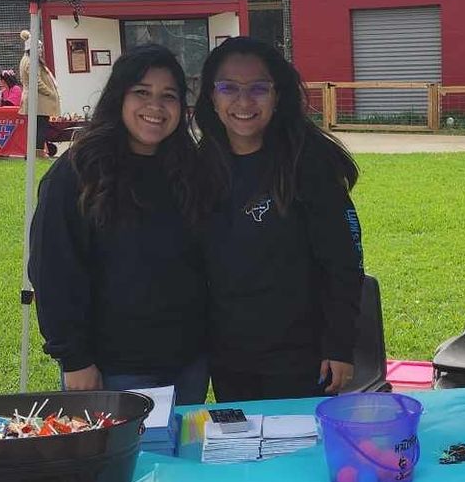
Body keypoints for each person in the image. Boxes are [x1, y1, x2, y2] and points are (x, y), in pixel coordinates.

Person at [27, 45, 209, 404]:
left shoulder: (190, 169)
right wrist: (74, 359)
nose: (155, 107)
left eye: (168, 96)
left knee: (177, 459)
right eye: (142, 93)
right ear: (119, 97)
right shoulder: (77, 173)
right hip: (112, 367)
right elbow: (53, 271)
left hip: (188, 362)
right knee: (121, 460)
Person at [195, 36, 364, 403]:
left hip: (304, 357)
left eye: (258, 88)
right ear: (211, 95)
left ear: (278, 95)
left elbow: (344, 264)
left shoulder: (310, 163)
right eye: (228, 88)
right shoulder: (198, 167)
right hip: (229, 358)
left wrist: (339, 346)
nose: (243, 101)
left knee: (303, 457)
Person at [17, 35, 63, 157]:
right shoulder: (31, 62)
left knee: (36, 128)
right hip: (38, 100)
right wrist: (49, 92)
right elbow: (36, 82)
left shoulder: (25, 59)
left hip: (34, 99)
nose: (41, 50)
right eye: (39, 48)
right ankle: (37, 153)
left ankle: (34, 153)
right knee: (40, 128)